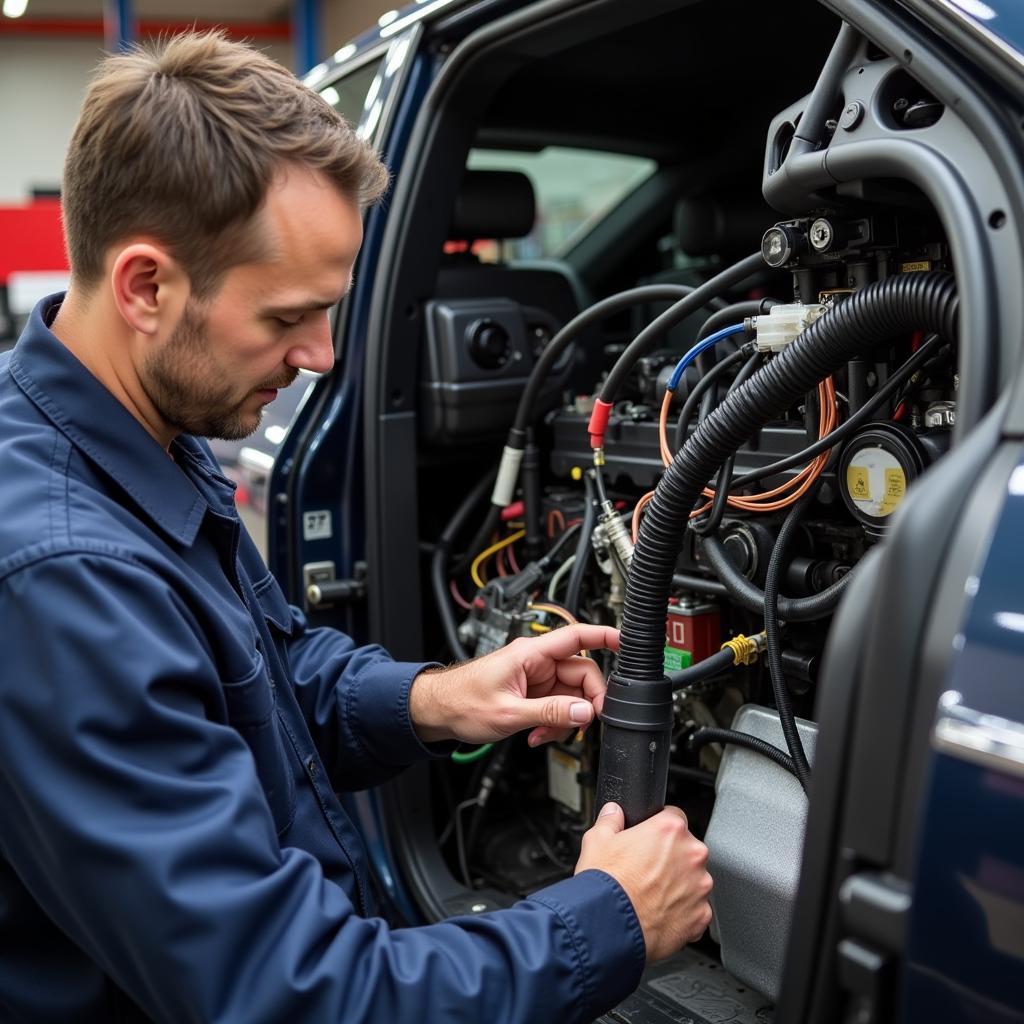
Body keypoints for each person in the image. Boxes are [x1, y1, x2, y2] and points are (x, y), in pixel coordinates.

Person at [0, 32, 712, 1023]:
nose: (325, 355)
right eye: (288, 316)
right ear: (146, 288)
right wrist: (609, 919)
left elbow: (264, 673)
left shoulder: (139, 426)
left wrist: (432, 699)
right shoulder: (61, 576)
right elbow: (293, 996)